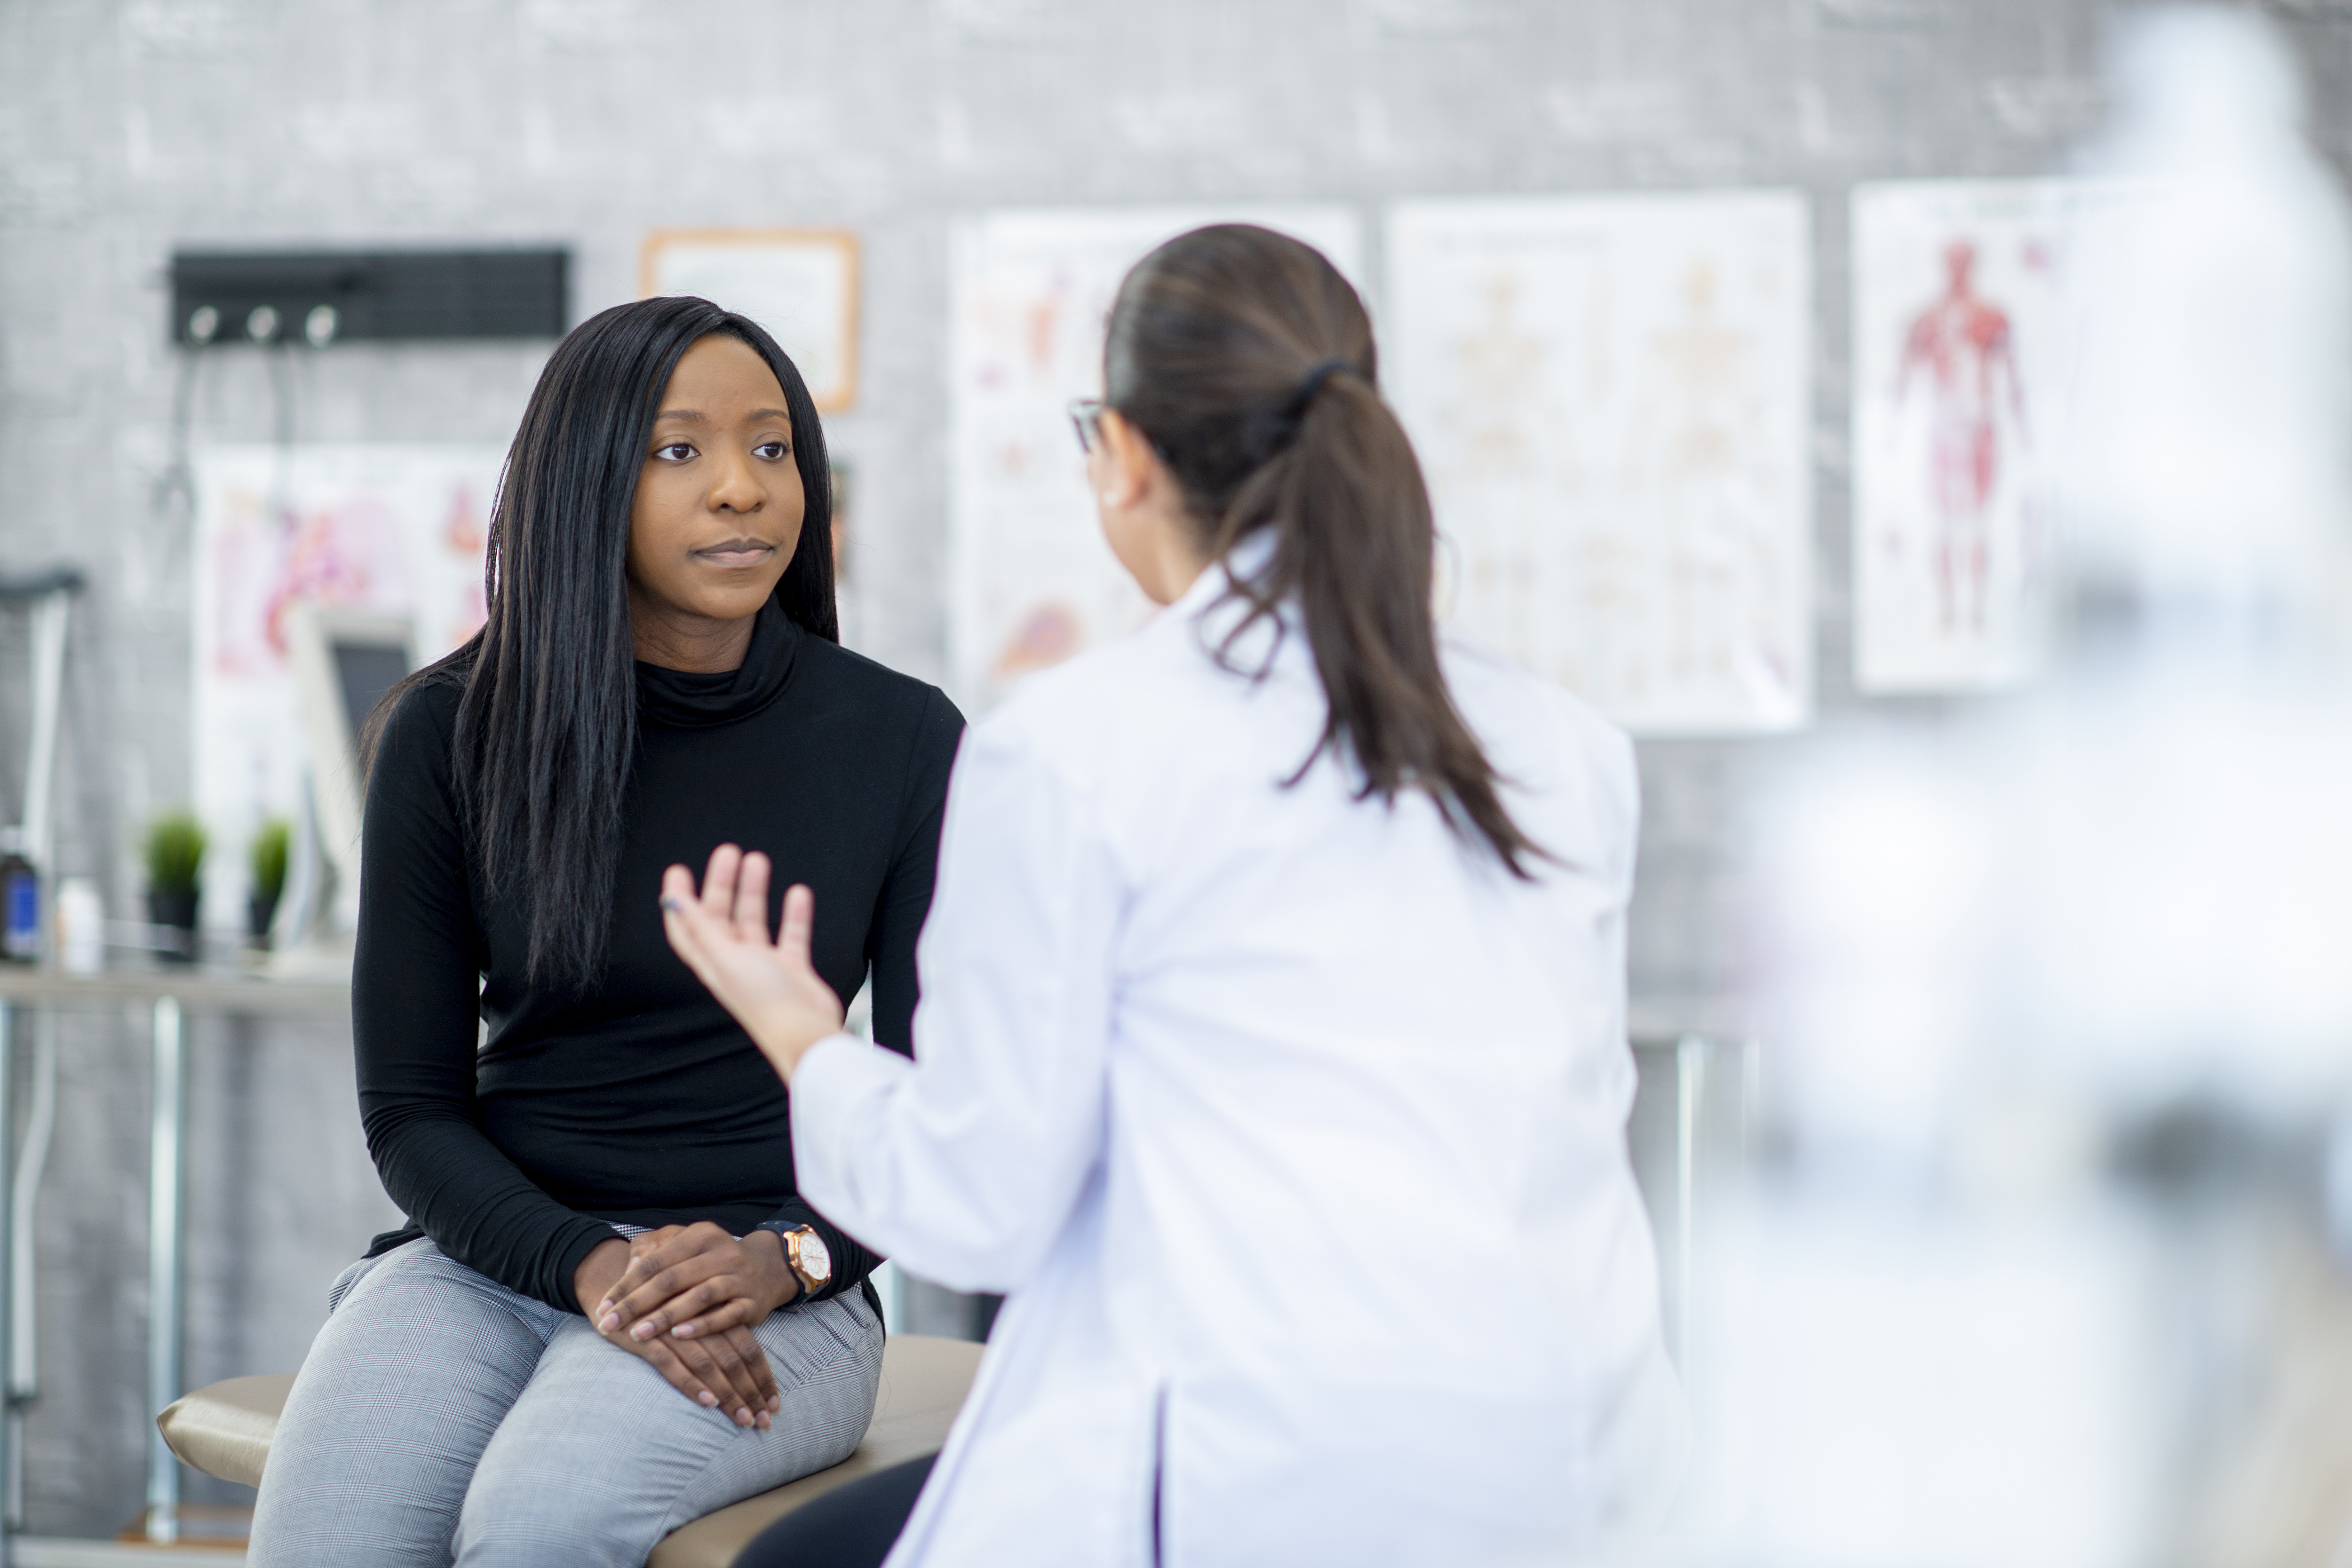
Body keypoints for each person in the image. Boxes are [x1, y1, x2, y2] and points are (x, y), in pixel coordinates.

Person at [629, 225, 1685, 1566]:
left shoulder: (1079, 747)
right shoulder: (1566, 746)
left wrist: (803, 1037)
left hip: (1263, 1481)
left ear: (1122, 456)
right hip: (1583, 1470)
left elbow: (979, 1209)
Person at [247, 296, 964, 1568]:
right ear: (586, 482)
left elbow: (939, 1110)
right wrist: (586, 1267)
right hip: (495, 1258)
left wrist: (784, 1258)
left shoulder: (906, 741)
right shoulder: (446, 732)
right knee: (328, 1542)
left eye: (774, 447)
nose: (742, 489)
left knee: (538, 1525)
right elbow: (409, 1111)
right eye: (679, 451)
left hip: (780, 1280)